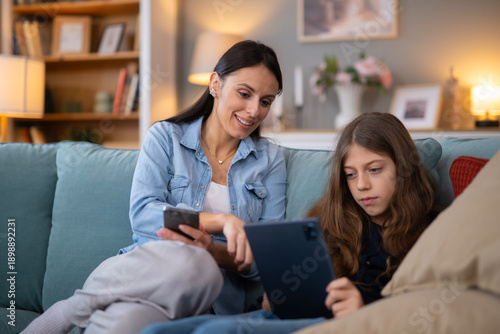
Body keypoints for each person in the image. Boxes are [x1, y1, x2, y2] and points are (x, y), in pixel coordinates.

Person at [21, 40, 286, 334]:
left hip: (213, 299)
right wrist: (221, 221)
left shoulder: (269, 159)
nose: (253, 110)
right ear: (215, 85)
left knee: (200, 267)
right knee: (121, 323)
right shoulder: (165, 138)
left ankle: (71, 310)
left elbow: (266, 259)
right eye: (244, 93)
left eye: (265, 101)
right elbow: (144, 216)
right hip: (147, 276)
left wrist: (211, 250)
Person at [140, 112, 441, 334]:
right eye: (350, 174)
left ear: (402, 167)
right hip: (281, 319)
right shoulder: (332, 220)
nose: (361, 184)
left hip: (344, 325)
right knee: (156, 332)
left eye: (374, 169)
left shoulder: (432, 231)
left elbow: (431, 306)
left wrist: (366, 305)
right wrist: (276, 298)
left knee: (211, 333)